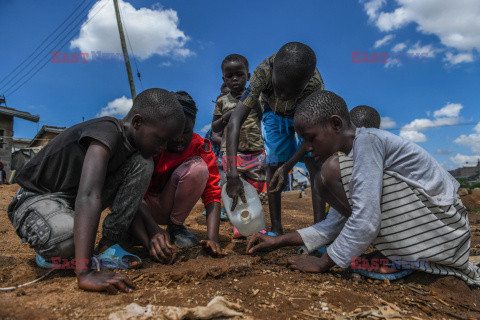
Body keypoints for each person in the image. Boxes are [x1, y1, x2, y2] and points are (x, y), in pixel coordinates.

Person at [247, 90, 480, 286]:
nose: (307, 148)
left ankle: (401, 258)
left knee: (329, 170)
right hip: (440, 237)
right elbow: (335, 223)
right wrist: (279, 241)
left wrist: (324, 262)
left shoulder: (368, 142)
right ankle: (398, 256)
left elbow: (366, 219)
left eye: (310, 138)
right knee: (325, 175)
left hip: (442, 236)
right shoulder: (358, 154)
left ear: (336, 124)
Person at [7, 88, 185, 293]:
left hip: (70, 202)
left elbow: (130, 199)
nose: (163, 148)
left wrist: (154, 230)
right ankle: (58, 253)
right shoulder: (106, 133)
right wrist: (85, 273)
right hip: (36, 198)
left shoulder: (135, 152)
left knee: (143, 164)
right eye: (161, 140)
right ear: (137, 123)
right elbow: (89, 195)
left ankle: (107, 245)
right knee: (67, 240)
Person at [224, 42, 325, 235]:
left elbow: (311, 138)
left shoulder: (315, 86)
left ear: (305, 85)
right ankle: (277, 227)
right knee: (273, 163)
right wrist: (232, 173)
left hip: (303, 114)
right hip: (272, 113)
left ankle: (320, 229)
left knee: (314, 162)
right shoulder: (262, 73)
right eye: (279, 88)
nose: (283, 96)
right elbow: (235, 121)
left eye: (291, 92)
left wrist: (289, 166)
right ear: (273, 75)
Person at [141, 91, 226, 257]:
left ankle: (176, 228)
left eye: (185, 132)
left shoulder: (200, 148)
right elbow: (135, 197)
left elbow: (212, 194)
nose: (179, 139)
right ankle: (135, 229)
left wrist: (212, 238)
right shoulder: (152, 145)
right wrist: (153, 231)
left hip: (168, 209)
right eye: (174, 132)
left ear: (194, 123)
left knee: (198, 168)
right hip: (141, 207)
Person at [212, 54, 267, 204]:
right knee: (236, 189)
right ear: (224, 79)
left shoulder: (257, 97)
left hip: (255, 150)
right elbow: (215, 127)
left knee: (259, 190)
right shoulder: (222, 100)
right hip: (232, 153)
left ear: (248, 76)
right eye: (229, 76)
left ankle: (257, 224)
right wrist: (227, 116)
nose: (234, 79)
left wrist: (252, 100)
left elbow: (262, 116)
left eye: (239, 74)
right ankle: (241, 226)